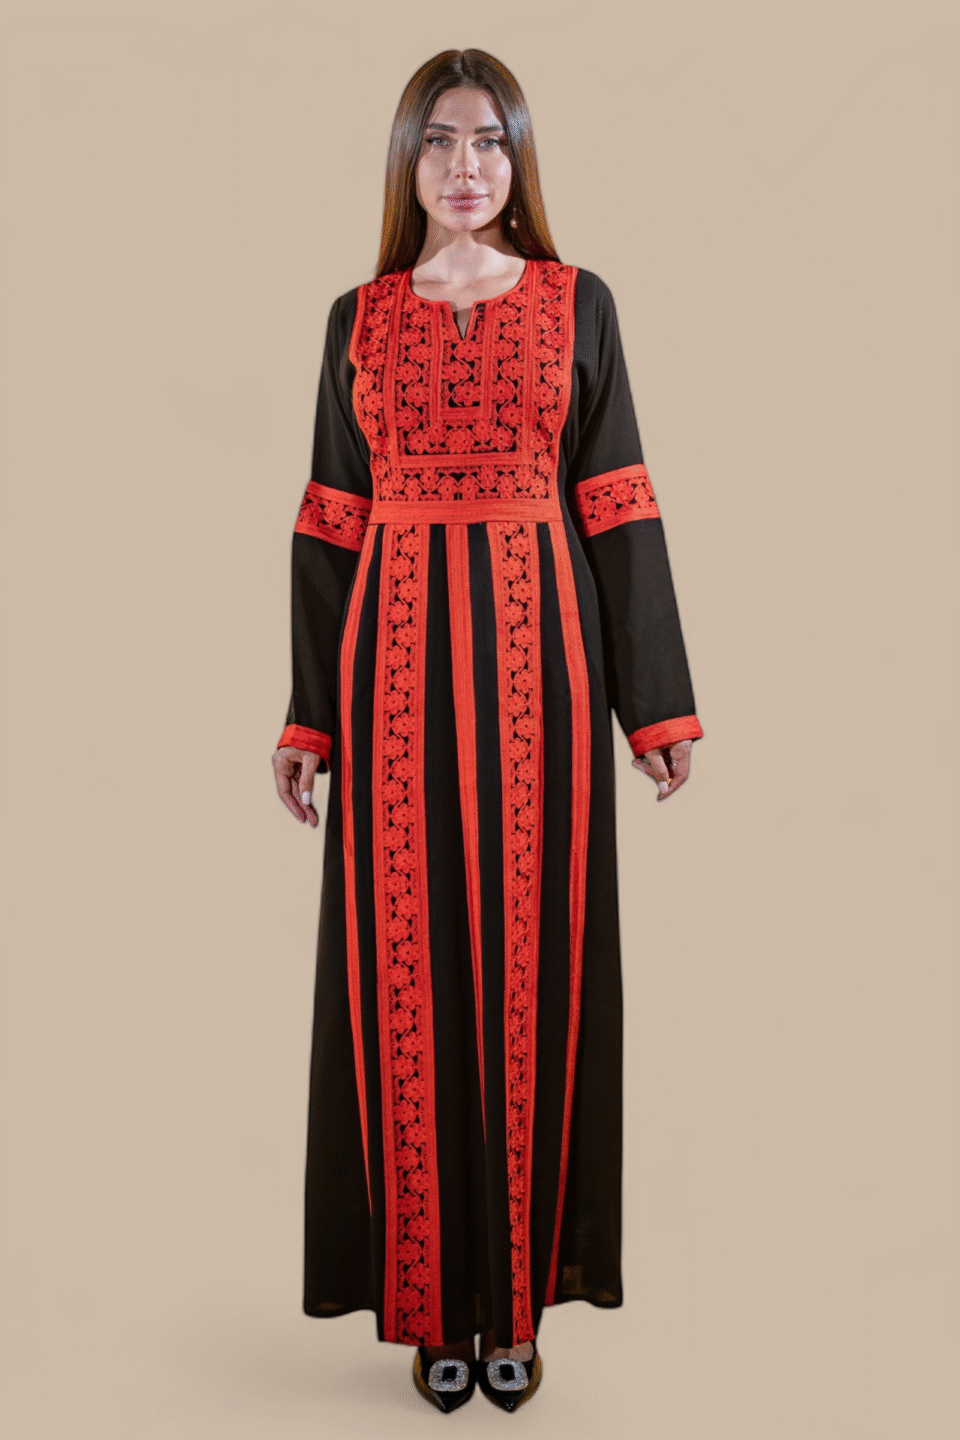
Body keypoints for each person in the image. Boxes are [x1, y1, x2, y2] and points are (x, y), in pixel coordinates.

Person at [271, 48, 704, 1414]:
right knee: (406, 979)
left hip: (541, 681)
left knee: (532, 973)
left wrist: (654, 704)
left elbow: (618, 499)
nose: (467, 165)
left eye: (491, 141)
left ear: (519, 163)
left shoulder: (581, 305)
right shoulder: (357, 319)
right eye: (442, 140)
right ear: (408, 161)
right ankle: (426, 1307)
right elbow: (331, 521)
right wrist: (308, 717)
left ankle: (510, 1302)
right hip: (391, 686)